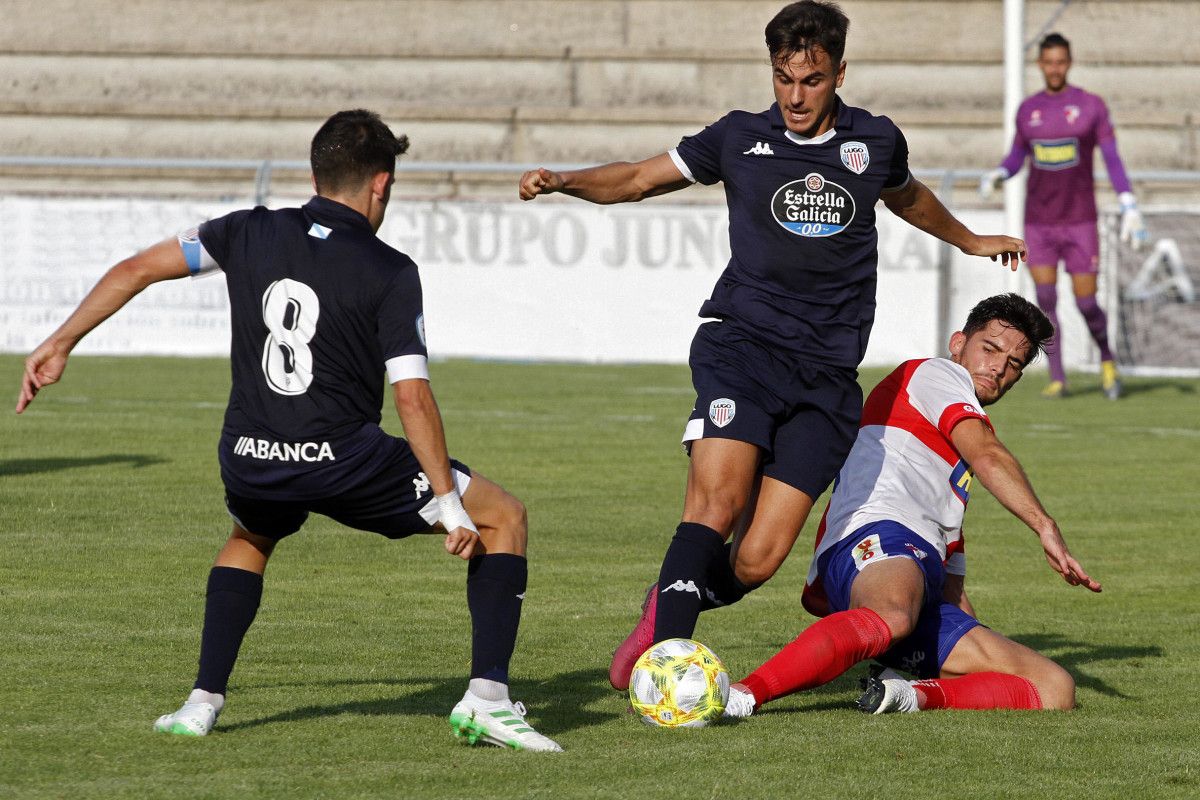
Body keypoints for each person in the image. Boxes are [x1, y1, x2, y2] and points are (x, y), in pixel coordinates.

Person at [518, 0, 1026, 692]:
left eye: (810, 80)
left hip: (825, 377)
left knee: (757, 559)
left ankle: (671, 595)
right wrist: (564, 181)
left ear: (839, 73)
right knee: (716, 503)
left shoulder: (874, 142)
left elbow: (906, 197)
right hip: (744, 348)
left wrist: (971, 240)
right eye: (783, 78)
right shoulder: (738, 137)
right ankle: (667, 665)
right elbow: (639, 179)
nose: (794, 95)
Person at [16, 110, 561, 752]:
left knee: (251, 535)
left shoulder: (244, 230)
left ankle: (201, 702)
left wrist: (59, 342)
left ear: (313, 174)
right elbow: (410, 396)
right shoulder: (390, 269)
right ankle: (489, 700)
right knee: (504, 517)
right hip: (344, 461)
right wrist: (447, 502)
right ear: (382, 184)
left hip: (250, 454)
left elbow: (135, 268)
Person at [720, 293, 1102, 719]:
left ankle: (908, 694)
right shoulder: (934, 374)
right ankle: (740, 696)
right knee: (893, 615)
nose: (998, 367)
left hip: (917, 565)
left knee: (1053, 686)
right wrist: (1044, 525)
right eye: (990, 349)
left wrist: (966, 647)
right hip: (875, 532)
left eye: (1013, 364)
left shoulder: (950, 469)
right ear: (958, 342)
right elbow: (989, 455)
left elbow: (952, 592)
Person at [980, 32, 1147, 401]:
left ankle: (1107, 360)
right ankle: (1058, 376)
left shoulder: (1090, 106)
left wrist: (1128, 201)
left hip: (1080, 221)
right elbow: (1016, 156)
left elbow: (1113, 157)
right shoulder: (1028, 110)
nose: (1054, 68)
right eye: (1048, 62)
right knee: (1046, 300)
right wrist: (998, 173)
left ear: (1068, 63)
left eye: (1060, 61)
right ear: (1040, 64)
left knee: (1087, 302)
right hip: (1039, 223)